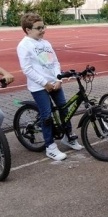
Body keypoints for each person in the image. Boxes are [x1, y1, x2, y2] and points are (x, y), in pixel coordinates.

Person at [16, 13, 83, 161]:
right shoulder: (24, 45)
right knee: (47, 115)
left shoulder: (45, 43)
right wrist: (44, 83)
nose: (42, 30)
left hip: (54, 83)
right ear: (28, 30)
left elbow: (54, 63)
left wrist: (58, 79)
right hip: (39, 86)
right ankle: (50, 147)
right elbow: (27, 69)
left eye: (43, 26)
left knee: (64, 110)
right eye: (38, 28)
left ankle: (68, 137)